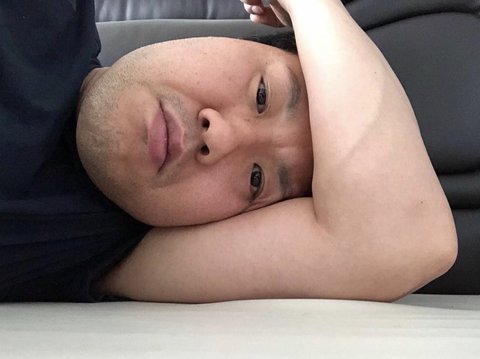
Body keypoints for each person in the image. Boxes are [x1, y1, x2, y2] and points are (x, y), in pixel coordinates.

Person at [0, 0, 457, 302]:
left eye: (256, 180)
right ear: (229, 40)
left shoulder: (105, 248)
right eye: (262, 95)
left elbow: (402, 242)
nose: (219, 138)